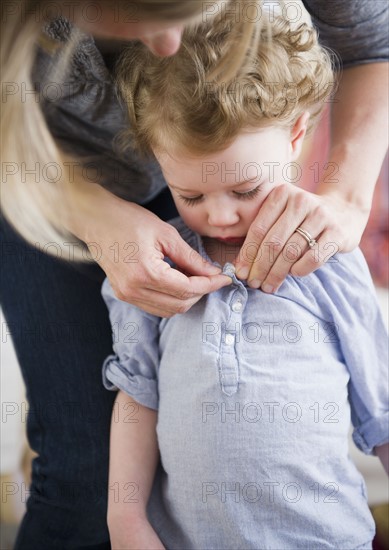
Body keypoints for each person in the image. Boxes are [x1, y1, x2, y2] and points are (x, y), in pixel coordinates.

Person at [0, 0, 388, 547]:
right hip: (32, 171)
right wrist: (126, 520)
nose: (221, 217)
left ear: (297, 133)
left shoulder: (331, 271)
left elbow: (384, 408)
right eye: (193, 198)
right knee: (79, 466)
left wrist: (347, 198)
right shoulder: (144, 285)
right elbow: (136, 389)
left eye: (246, 191)